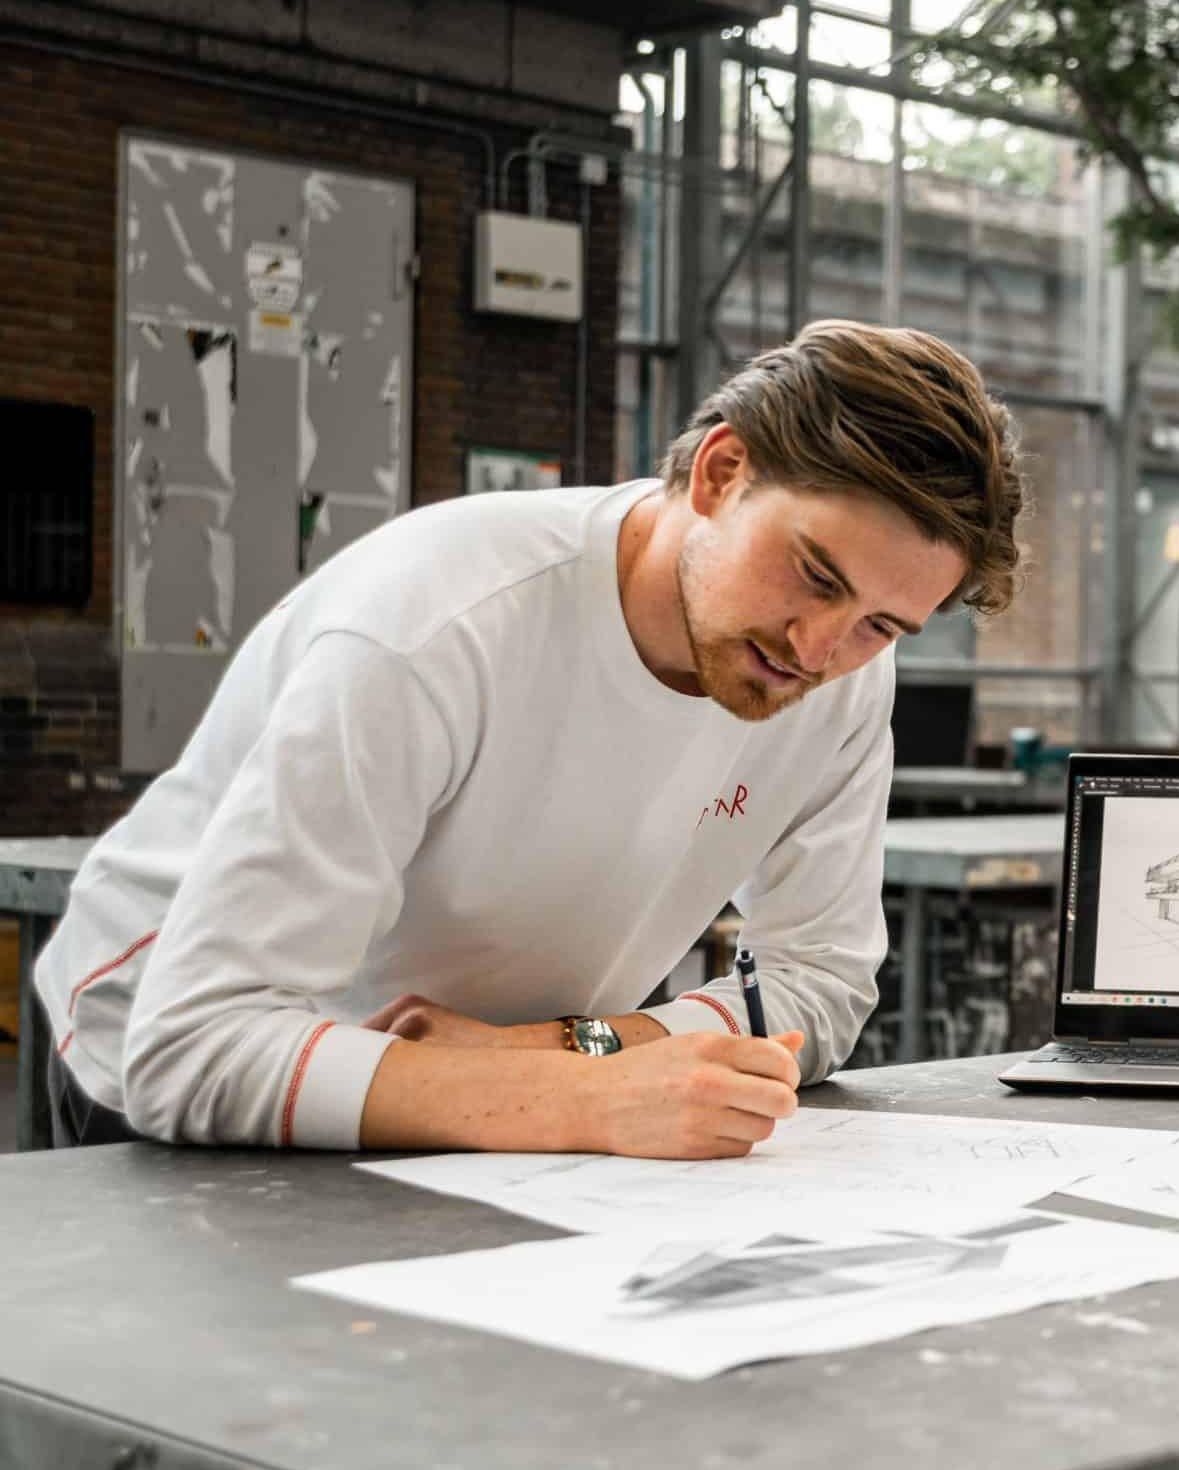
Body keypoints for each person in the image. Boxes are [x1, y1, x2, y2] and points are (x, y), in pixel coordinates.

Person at [38, 320, 1025, 1158]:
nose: (820, 649)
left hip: (493, 1106)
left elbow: (822, 980)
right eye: (814, 572)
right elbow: (192, 1045)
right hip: (173, 1083)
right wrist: (592, 1097)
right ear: (723, 471)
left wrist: (579, 1048)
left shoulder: (842, 676)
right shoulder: (437, 622)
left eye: (881, 625)